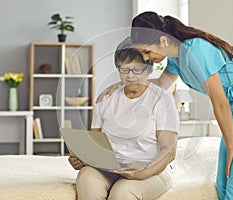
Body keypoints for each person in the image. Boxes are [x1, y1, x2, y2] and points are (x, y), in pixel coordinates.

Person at [97, 11, 233, 200]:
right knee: (223, 184)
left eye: (146, 52)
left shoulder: (196, 50)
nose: (145, 59)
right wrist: (124, 82)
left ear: (163, 41)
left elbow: (220, 104)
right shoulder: (176, 60)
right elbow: (161, 86)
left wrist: (231, 148)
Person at [69, 37, 179, 200]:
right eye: (124, 70)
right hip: (111, 168)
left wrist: (142, 173)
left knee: (122, 191)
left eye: (137, 70)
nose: (130, 76)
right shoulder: (106, 98)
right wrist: (82, 160)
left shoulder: (162, 99)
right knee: (86, 177)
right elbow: (95, 143)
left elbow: (169, 151)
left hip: (153, 168)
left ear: (148, 69)